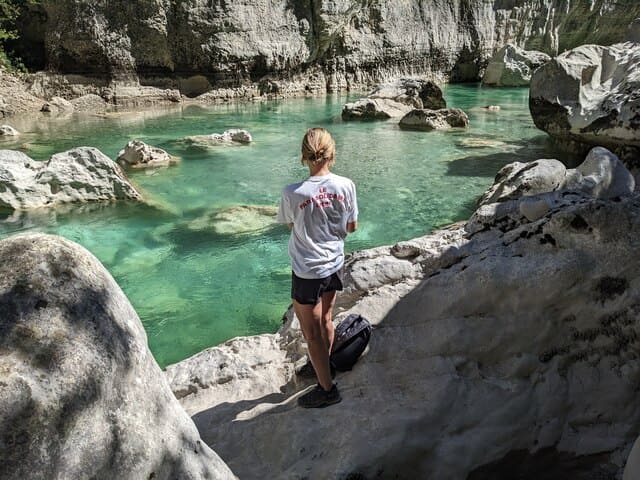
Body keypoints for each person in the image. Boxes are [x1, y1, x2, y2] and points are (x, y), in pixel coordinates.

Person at [277, 127, 358, 408]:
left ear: (303, 157)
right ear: (332, 154)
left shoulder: (292, 192)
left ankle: (327, 389)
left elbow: (290, 224)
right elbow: (352, 226)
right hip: (334, 264)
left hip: (307, 271)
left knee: (311, 334)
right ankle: (325, 364)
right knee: (326, 320)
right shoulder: (346, 185)